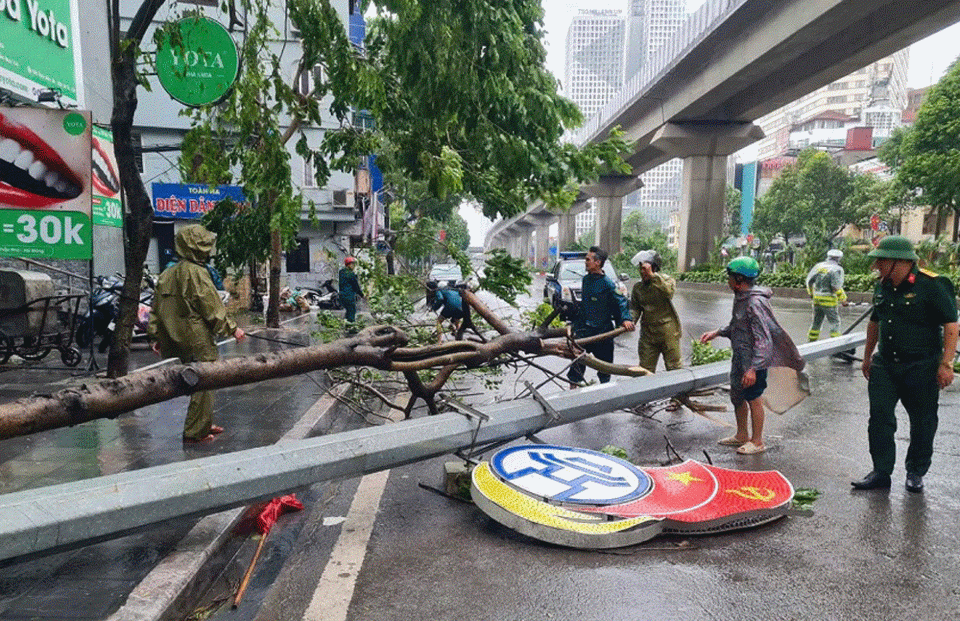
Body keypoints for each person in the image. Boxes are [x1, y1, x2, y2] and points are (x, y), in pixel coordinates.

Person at [851, 236, 958, 493]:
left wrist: (946, 363)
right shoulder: (882, 286)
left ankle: (915, 471)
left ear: (899, 262)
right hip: (885, 365)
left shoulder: (932, 285)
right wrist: (867, 357)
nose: (876, 264)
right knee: (879, 418)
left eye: (881, 260)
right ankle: (881, 472)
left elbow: (951, 325)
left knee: (923, 421)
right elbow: (875, 322)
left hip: (921, 366)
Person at [700, 256, 807, 455]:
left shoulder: (755, 303)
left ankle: (757, 441)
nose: (728, 280)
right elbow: (737, 325)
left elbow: (764, 339)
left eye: (730, 277)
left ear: (739, 280)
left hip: (754, 362)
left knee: (753, 397)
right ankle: (742, 434)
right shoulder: (741, 298)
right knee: (737, 395)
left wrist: (754, 369)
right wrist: (717, 332)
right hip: (740, 357)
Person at [149, 225, 245, 443]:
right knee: (204, 380)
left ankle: (202, 422)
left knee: (196, 379)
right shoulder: (197, 273)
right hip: (197, 336)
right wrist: (232, 328)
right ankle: (196, 431)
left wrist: (156, 336)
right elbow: (211, 307)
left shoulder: (167, 273)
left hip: (177, 336)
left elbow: (157, 308)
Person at [567, 246, 635, 387]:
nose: (585, 262)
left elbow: (621, 301)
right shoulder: (586, 280)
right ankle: (572, 390)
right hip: (585, 331)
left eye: (588, 259)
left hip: (602, 331)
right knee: (577, 362)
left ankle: (604, 390)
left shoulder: (608, 283)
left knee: (605, 366)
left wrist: (625, 319)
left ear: (597, 262)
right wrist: (575, 325)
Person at [629, 249, 682, 373]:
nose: (642, 272)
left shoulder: (666, 280)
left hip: (668, 332)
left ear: (654, 268)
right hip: (648, 334)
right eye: (641, 269)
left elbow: (668, 292)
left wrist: (653, 277)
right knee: (645, 369)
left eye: (645, 269)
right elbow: (635, 308)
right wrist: (631, 320)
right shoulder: (638, 287)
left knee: (674, 368)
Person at [806, 248, 847, 341]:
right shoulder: (836, 269)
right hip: (829, 300)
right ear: (839, 258)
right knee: (834, 322)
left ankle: (811, 340)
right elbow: (835, 287)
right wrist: (843, 299)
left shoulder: (819, 266)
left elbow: (809, 281)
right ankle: (835, 343)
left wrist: (811, 294)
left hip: (817, 299)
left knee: (816, 321)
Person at [339, 256, 363, 326]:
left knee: (348, 311)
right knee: (352, 312)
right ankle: (351, 328)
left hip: (341, 296)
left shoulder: (341, 272)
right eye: (353, 264)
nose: (354, 266)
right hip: (349, 296)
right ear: (349, 264)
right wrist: (361, 294)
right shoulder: (351, 274)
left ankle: (346, 325)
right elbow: (356, 286)